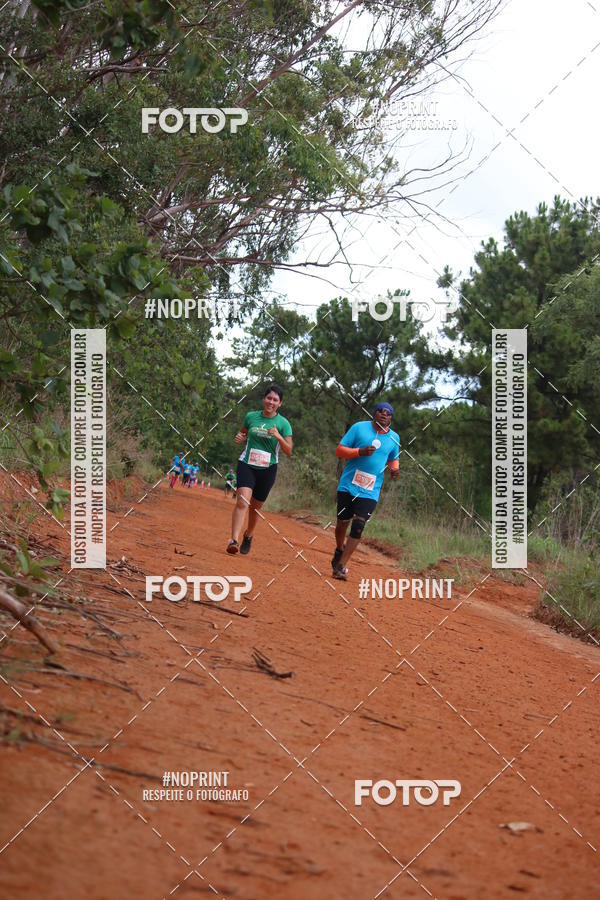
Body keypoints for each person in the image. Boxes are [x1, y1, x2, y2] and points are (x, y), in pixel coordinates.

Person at [331, 402, 400, 580]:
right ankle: (339, 549)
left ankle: (341, 566)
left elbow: (393, 459)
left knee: (359, 526)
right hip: (348, 485)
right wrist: (359, 452)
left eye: (388, 413)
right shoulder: (358, 428)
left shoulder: (394, 438)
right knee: (341, 524)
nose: (384, 415)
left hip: (370, 490)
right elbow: (339, 451)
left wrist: (394, 469)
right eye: (380, 411)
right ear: (374, 413)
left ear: (391, 418)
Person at [226, 384, 292, 555]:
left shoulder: (283, 423)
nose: (271, 402)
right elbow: (243, 433)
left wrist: (278, 436)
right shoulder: (251, 417)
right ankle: (233, 539)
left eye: (275, 400)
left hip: (268, 468)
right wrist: (240, 437)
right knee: (242, 502)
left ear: (280, 404)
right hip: (247, 464)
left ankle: (249, 535)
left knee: (255, 508)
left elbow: (288, 450)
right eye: (269, 398)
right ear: (264, 399)